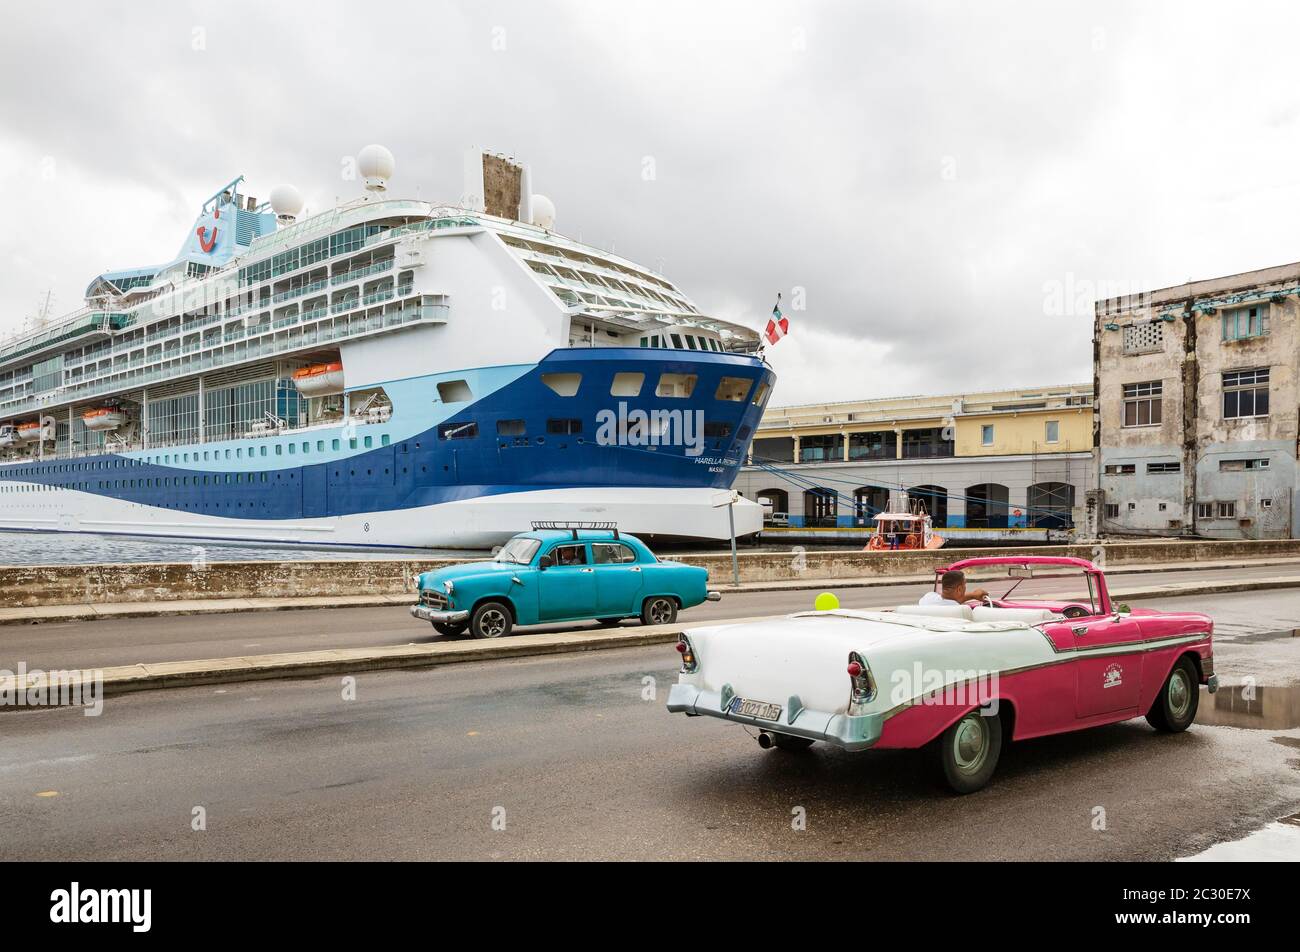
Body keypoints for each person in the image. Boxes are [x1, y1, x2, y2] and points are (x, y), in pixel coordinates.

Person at [919, 569, 989, 607]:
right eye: (964, 585)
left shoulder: (928, 597)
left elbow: (949, 600)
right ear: (959, 589)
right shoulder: (960, 610)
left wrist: (973, 595)